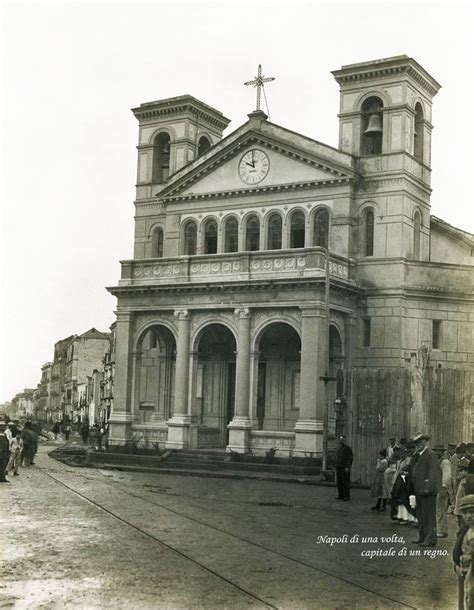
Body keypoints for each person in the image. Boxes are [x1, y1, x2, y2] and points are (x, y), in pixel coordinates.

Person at [410, 432, 441, 547]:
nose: (418, 444)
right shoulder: (417, 455)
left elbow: (433, 473)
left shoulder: (430, 454)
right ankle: (422, 536)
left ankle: (430, 538)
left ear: (425, 442)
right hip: (418, 490)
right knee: (421, 515)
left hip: (427, 491)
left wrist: (428, 488)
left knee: (428, 515)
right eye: (416, 443)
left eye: (420, 442)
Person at [453, 494, 474, 610]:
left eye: (472, 512)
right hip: (463, 574)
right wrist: (456, 565)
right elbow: (457, 550)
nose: (469, 516)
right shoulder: (464, 531)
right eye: (465, 513)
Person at [436, 445, 452, 538]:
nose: (437, 452)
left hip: (442, 488)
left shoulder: (445, 462)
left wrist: (443, 487)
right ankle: (441, 529)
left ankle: (441, 530)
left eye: (439, 450)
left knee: (441, 510)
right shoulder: (439, 461)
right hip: (439, 488)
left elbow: (447, 476)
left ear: (442, 452)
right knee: (439, 510)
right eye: (435, 450)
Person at [335, 435, 353, 501]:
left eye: (342, 440)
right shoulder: (338, 448)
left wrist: (347, 466)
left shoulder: (347, 448)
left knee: (345, 482)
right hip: (338, 467)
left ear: (345, 440)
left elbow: (350, 458)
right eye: (340, 440)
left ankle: (346, 496)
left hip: (344, 468)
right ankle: (340, 495)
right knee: (339, 481)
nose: (341, 441)